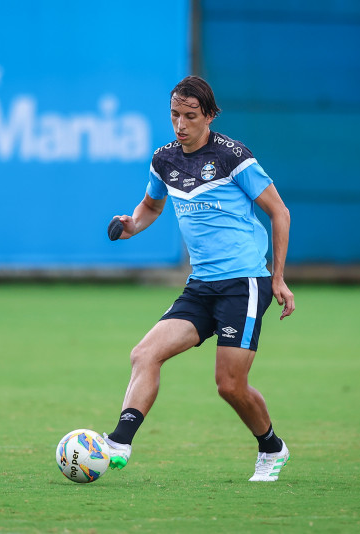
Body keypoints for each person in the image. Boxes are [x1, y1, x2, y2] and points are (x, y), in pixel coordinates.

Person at [104, 75, 295, 482]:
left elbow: (280, 212)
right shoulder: (164, 159)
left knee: (229, 385)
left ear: (208, 115)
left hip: (243, 283)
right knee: (144, 353)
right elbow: (151, 207)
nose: (180, 124)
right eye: (175, 115)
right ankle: (119, 442)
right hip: (201, 286)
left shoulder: (233, 157)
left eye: (190, 116)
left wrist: (277, 278)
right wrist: (131, 224)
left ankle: (272, 447)